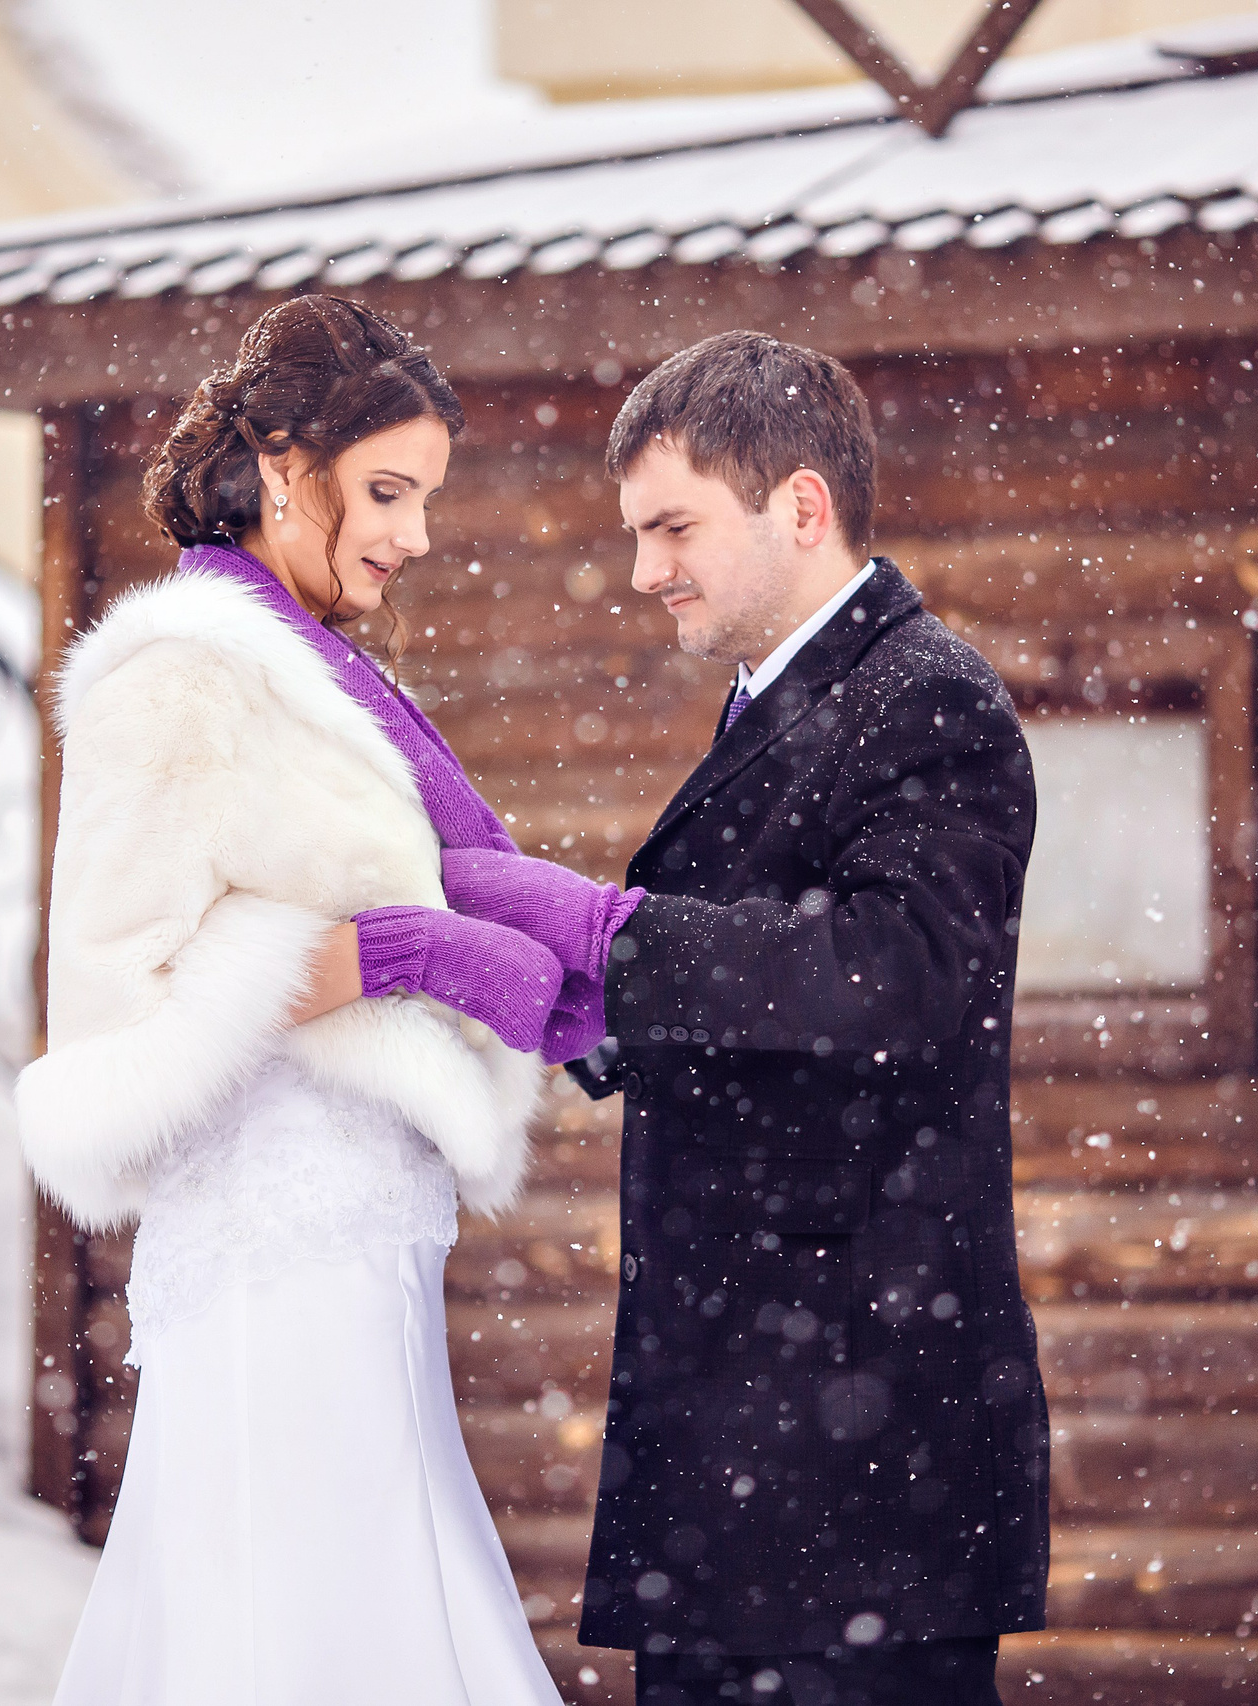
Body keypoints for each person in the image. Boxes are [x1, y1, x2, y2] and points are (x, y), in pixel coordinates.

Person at [434, 332, 1048, 1705]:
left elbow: (898, 976)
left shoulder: (927, 696)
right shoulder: (782, 699)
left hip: (855, 1457)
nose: (646, 568)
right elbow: (765, 1001)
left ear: (803, 507)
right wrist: (555, 1000)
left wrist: (612, 934)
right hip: (760, 1454)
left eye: (673, 527)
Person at [23, 295, 594, 1705]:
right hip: (272, 1247)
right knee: (304, 1634)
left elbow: (465, 877)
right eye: (388, 491)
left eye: (426, 499)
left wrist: (588, 968)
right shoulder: (176, 681)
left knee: (366, 1618)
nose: (411, 535)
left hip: (365, 1238)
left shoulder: (332, 671)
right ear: (284, 468)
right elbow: (115, 1016)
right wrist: (396, 957)